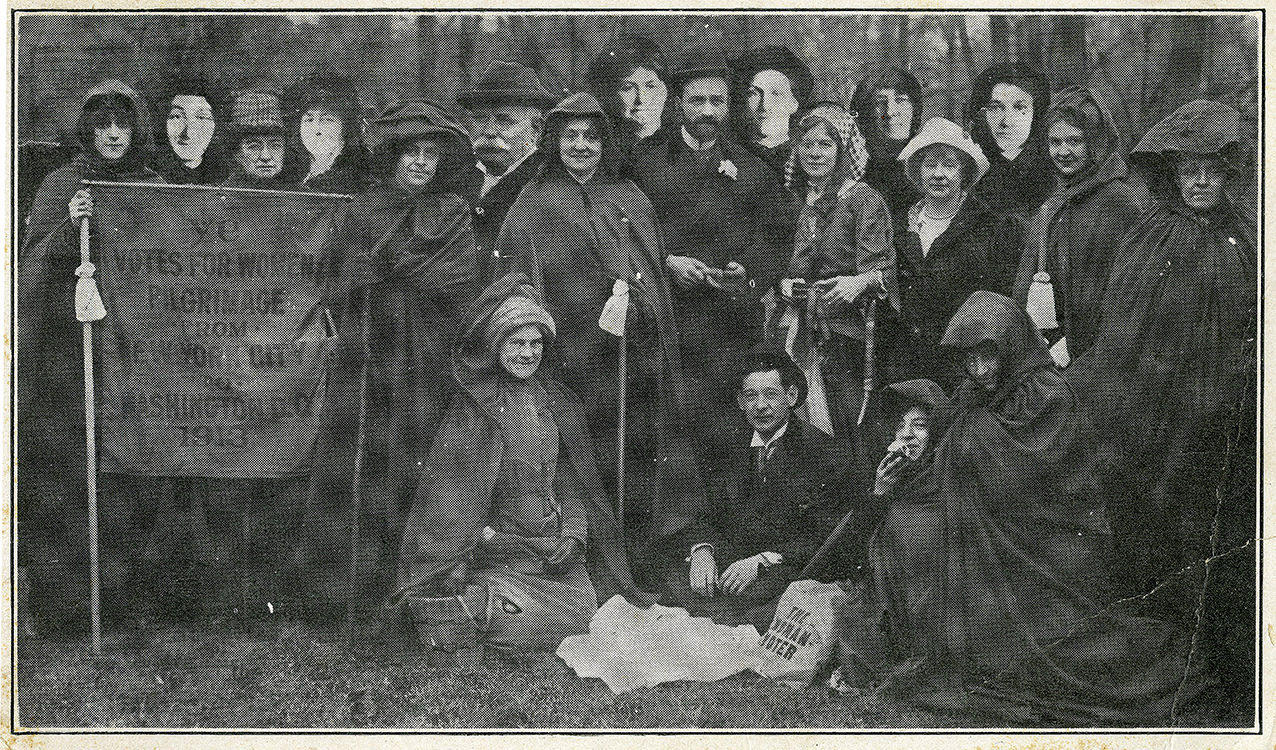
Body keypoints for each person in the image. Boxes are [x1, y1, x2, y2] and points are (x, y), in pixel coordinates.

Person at [832, 291, 1214, 726]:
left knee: (1062, 652)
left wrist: (970, 445)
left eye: (988, 357)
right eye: (969, 359)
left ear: (1012, 346)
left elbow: (1036, 475)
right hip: (984, 536)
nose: (980, 370)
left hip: (1041, 545)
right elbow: (946, 461)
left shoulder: (1048, 395)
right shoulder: (973, 395)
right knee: (905, 525)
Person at [1067, 100, 1256, 714]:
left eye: (1212, 171)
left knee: (1217, 541)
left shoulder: (1240, 244)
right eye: (1189, 171)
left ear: (1227, 174)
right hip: (1152, 415)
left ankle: (1224, 676)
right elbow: (1123, 332)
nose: (1201, 182)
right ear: (1172, 174)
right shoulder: (1149, 236)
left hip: (1222, 419)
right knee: (1151, 534)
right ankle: (1160, 666)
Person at [494, 92, 705, 589]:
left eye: (592, 137)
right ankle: (589, 562)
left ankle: (639, 556)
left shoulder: (629, 197)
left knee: (634, 454)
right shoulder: (534, 202)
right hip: (568, 358)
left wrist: (638, 301)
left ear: (605, 143)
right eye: (572, 137)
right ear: (555, 141)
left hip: (632, 356)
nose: (582, 147)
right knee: (580, 457)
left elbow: (651, 270)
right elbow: (518, 277)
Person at [397, 274, 641, 640]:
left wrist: (573, 535)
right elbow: (453, 506)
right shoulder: (477, 410)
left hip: (551, 552)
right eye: (517, 342)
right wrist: (492, 540)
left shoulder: (553, 401)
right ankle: (475, 605)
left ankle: (491, 611)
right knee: (527, 617)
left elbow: (569, 484)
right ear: (496, 345)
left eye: (536, 342)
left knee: (587, 615)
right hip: (501, 555)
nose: (528, 353)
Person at [307, 101, 479, 614]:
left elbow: (458, 277)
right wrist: (361, 281)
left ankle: (403, 590)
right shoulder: (361, 210)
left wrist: (396, 272)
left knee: (410, 464)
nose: (422, 164)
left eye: (430, 155)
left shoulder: (450, 211)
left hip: (423, 351)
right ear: (393, 156)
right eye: (412, 154)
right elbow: (328, 271)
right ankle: (339, 591)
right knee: (353, 461)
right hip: (365, 349)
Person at [17, 80, 166, 632]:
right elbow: (30, 271)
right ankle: (63, 603)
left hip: (133, 352)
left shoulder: (150, 186)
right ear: (88, 129)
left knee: (126, 473)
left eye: (122, 125)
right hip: (67, 350)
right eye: (103, 124)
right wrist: (68, 228)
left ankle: (126, 598)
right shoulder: (61, 184)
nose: (112, 135)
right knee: (65, 473)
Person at [631, 46, 790, 412]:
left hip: (729, 328)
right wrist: (666, 261)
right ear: (677, 104)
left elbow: (776, 237)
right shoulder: (643, 161)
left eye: (717, 101)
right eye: (696, 100)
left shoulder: (754, 168)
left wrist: (748, 270)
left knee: (725, 437)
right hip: (663, 321)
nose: (707, 111)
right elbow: (621, 233)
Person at [664, 349, 851, 632]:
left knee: (757, 602)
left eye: (771, 394)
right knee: (672, 572)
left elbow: (823, 533)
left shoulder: (824, 452)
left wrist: (760, 562)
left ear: (791, 397)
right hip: (730, 559)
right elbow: (703, 509)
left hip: (783, 563)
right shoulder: (726, 446)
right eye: (751, 396)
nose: (761, 406)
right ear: (740, 401)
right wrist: (702, 550)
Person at [772, 104, 896, 440]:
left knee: (847, 424)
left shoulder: (863, 200)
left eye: (825, 145)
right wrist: (783, 283)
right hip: (797, 328)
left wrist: (858, 281)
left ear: (842, 151)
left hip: (846, 336)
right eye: (806, 144)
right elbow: (773, 258)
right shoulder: (792, 200)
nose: (814, 154)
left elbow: (883, 269)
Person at [1012, 86, 1146, 365]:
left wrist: (1072, 346)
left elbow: (1129, 297)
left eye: (1075, 141)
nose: (1063, 152)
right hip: (1049, 354)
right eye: (1055, 142)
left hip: (1102, 358)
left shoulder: (1121, 203)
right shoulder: (1052, 206)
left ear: (1095, 144)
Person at [893, 117, 1019, 390]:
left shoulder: (990, 226)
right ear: (918, 172)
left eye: (949, 165)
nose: (939, 174)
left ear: (964, 173)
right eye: (930, 165)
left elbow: (1002, 302)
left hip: (966, 368)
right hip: (905, 365)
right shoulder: (899, 226)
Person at [459, 60, 559, 287]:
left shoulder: (549, 183)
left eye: (504, 121)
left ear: (536, 129)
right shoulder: (458, 178)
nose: (490, 131)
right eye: (480, 118)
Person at [963, 63, 1053, 220]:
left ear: (1036, 113)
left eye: (1019, 108)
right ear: (982, 114)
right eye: (996, 108)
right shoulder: (968, 176)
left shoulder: (1052, 174)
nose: (1006, 121)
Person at [850, 66, 924, 231]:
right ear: (867, 113)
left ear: (915, 109)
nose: (890, 112)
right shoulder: (856, 172)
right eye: (880, 103)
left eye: (900, 100)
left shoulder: (930, 165)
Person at [587, 33, 672, 164]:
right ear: (610, 95)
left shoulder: (682, 146)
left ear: (665, 90)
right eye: (627, 88)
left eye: (650, 86)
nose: (641, 99)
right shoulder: (596, 153)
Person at [729, 44, 814, 175]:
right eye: (754, 93)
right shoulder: (731, 155)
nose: (765, 105)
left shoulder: (809, 158)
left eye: (776, 93)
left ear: (794, 103)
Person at [289, 73, 371, 195]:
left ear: (346, 126)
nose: (316, 130)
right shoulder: (290, 171)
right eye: (309, 120)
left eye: (326, 120)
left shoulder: (363, 173)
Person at [151, 73, 227, 185]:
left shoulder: (226, 178)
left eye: (202, 117)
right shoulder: (149, 177)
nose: (188, 132)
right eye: (177, 116)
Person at [220, 87, 294, 189]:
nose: (266, 156)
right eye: (254, 147)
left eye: (275, 146)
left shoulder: (302, 196)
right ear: (236, 153)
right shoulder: (219, 197)